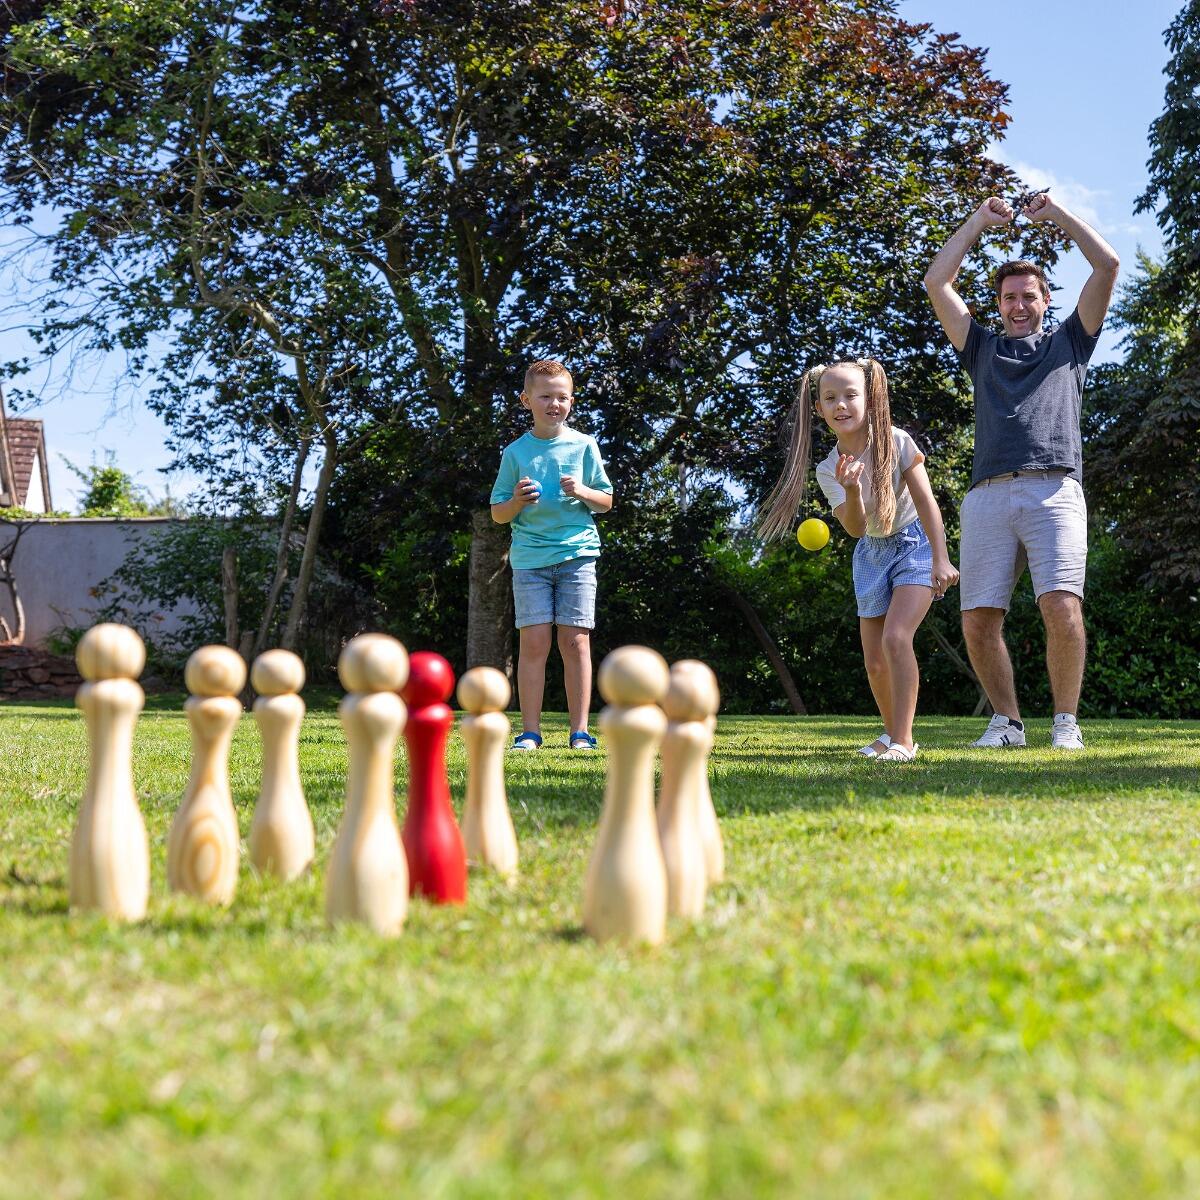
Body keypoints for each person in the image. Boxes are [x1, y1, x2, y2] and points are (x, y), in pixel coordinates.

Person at [923, 192, 1119, 750]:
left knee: (1061, 604)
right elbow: (938, 282)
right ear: (998, 304)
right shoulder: (980, 347)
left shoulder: (1071, 342)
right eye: (1009, 298)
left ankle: (1065, 723)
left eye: (1028, 296)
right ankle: (1007, 724)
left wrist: (1056, 215)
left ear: (1045, 299)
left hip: (1054, 489)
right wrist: (979, 222)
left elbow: (1107, 264)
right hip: (986, 495)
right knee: (978, 620)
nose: (1018, 305)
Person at [758, 357, 959, 762]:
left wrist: (942, 558)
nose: (841, 405)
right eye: (830, 398)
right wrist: (851, 491)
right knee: (873, 662)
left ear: (870, 399)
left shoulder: (897, 441)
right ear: (818, 410)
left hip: (914, 544)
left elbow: (926, 502)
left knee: (896, 639)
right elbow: (853, 528)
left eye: (851, 395)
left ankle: (904, 742)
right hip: (871, 552)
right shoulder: (829, 468)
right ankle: (890, 734)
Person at [490, 359, 614, 750]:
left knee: (576, 641)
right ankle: (530, 732)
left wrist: (581, 491)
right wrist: (516, 501)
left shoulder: (584, 445)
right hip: (530, 561)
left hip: (578, 556)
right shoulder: (515, 452)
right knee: (535, 643)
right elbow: (497, 513)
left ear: (571, 402)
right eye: (545, 396)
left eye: (562, 397)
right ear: (527, 400)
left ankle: (580, 732)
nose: (554, 404)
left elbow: (606, 501)